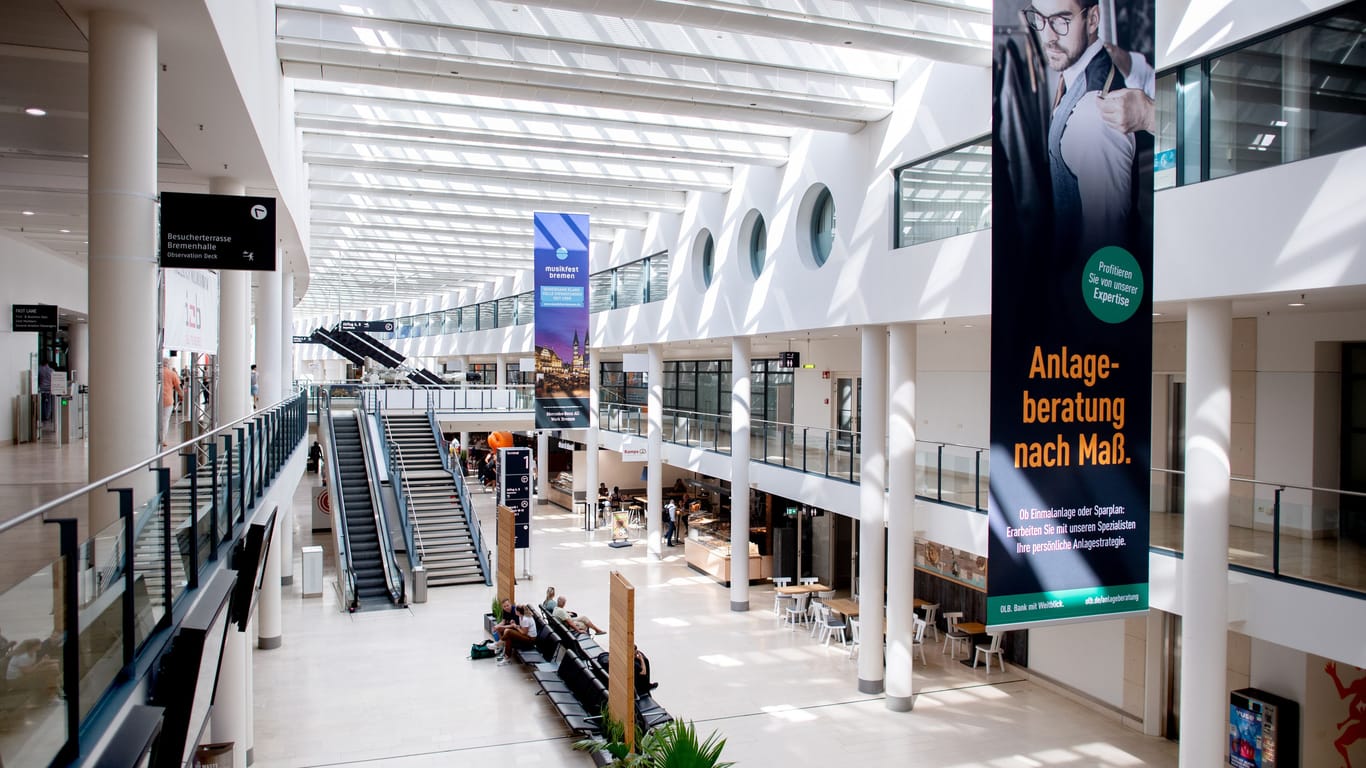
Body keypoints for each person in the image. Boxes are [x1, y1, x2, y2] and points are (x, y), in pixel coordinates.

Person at [1028, 0, 1141, 263]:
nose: (1048, 37)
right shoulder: (1073, 78)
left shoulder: (1093, 114)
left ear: (1092, 19)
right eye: (1040, 19)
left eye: (1061, 21)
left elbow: (1106, 238)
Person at [160, 359, 183, 448]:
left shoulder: (155, 372)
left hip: (156, 400)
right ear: (168, 364)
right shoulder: (172, 374)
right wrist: (181, 395)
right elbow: (178, 387)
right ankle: (162, 439)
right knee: (165, 420)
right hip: (167, 400)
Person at [37, 358, 53, 424]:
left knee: (42, 403)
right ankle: (47, 415)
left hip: (41, 388)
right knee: (49, 403)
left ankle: (42, 415)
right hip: (49, 389)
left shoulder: (39, 369)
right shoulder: (51, 370)